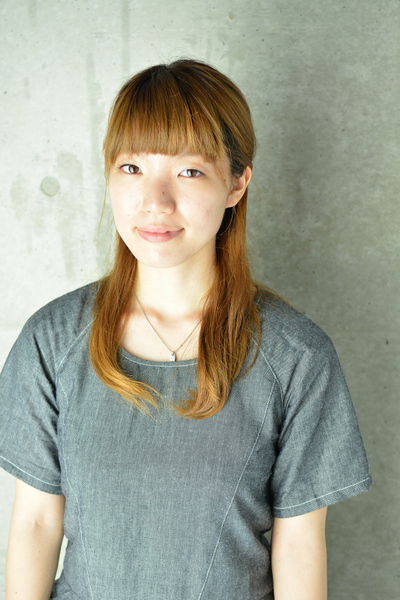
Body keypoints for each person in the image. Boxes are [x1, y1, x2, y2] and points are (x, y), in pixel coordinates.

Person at [0, 59, 371, 600]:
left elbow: (299, 545)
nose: (155, 202)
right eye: (131, 168)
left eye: (189, 171)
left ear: (237, 183)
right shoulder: (52, 341)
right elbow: (35, 522)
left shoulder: (295, 356)